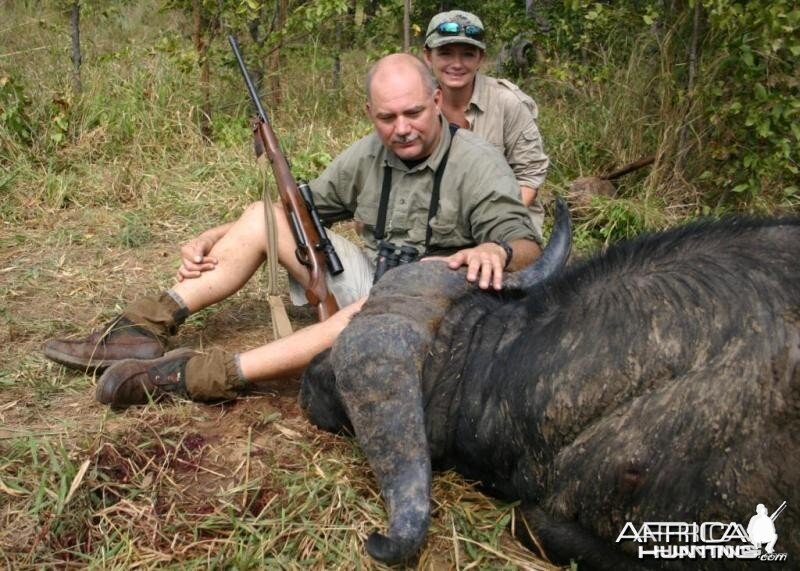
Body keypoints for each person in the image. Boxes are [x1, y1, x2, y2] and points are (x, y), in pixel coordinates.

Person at [43, 53, 541, 407]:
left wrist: (495, 251)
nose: (401, 128)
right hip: (375, 279)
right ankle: (142, 328)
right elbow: (300, 206)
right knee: (265, 214)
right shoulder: (369, 152)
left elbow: (527, 247)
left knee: (371, 308)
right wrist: (218, 234)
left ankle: (199, 375)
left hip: (436, 310)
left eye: (413, 112)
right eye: (387, 118)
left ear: (436, 101)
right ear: (370, 115)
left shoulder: (478, 162)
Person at [422, 10, 550, 235]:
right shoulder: (416, 103)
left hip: (505, 217)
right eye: (445, 53)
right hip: (436, 219)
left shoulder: (508, 103)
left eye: (468, 54)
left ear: (481, 58)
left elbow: (529, 179)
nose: (457, 64)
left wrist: (493, 227)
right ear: (428, 56)